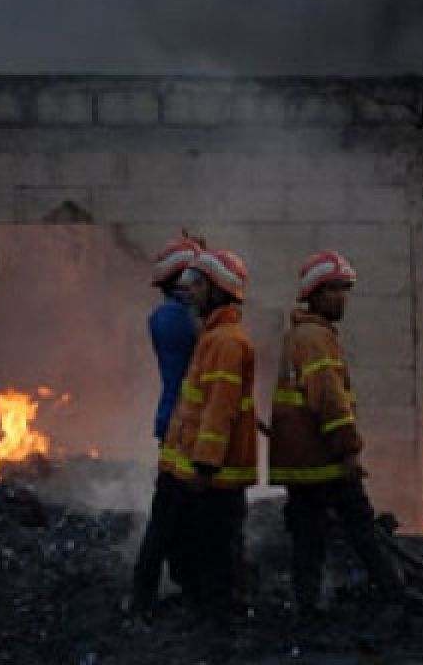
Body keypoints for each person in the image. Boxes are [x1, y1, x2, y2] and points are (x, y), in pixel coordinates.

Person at [268, 250, 423, 623]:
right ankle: (394, 594)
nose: (342, 297)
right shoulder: (315, 339)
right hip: (322, 459)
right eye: (336, 290)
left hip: (304, 460)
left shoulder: (304, 334)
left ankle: (307, 606)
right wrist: (348, 450)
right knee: (359, 524)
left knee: (308, 533)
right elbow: (328, 399)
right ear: (316, 293)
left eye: (344, 289)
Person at [158, 249, 258, 617]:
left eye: (198, 286)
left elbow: (218, 408)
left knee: (219, 544)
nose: (191, 294)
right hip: (210, 470)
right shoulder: (215, 336)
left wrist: (205, 463)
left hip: (219, 473)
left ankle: (223, 612)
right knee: (204, 540)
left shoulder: (226, 342)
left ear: (219, 289)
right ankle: (209, 604)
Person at [130, 234, 203, 619]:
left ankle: (179, 582)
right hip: (181, 425)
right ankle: (144, 595)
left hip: (175, 421)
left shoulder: (170, 316)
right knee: (169, 511)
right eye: (195, 278)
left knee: (178, 512)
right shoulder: (176, 320)